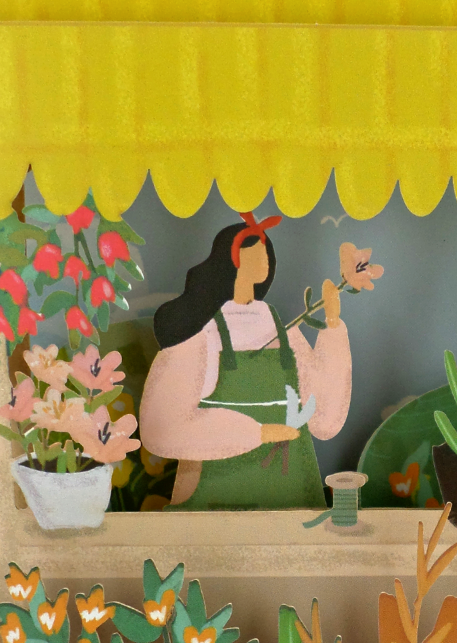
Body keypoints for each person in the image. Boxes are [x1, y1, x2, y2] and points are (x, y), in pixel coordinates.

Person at [140, 212, 352, 509]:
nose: (263, 260)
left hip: (291, 493)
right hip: (218, 498)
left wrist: (333, 325)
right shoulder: (204, 334)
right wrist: (256, 433)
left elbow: (324, 419)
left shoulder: (283, 331)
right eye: (254, 252)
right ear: (232, 260)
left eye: (265, 253)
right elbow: (161, 427)